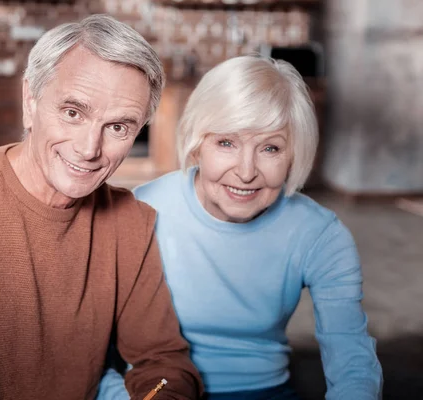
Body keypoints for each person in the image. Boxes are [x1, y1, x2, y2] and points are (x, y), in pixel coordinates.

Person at [0, 15, 203, 400]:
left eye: (118, 127)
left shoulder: (130, 221)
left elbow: (164, 364)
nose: (89, 149)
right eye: (73, 112)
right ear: (30, 102)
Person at [97, 55, 383, 400]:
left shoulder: (320, 234)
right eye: (226, 143)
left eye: (270, 148)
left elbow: (351, 358)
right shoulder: (143, 210)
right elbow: (88, 344)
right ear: (197, 143)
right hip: (154, 389)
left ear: (294, 155)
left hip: (263, 391)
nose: (246, 172)